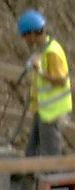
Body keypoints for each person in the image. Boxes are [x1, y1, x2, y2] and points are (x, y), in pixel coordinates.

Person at [17, 10, 72, 157]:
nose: (24, 39)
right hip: (43, 110)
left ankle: (50, 179)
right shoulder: (44, 49)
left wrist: (39, 70)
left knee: (50, 153)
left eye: (24, 35)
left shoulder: (52, 52)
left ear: (33, 33)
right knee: (32, 148)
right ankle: (28, 175)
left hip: (52, 112)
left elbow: (61, 80)